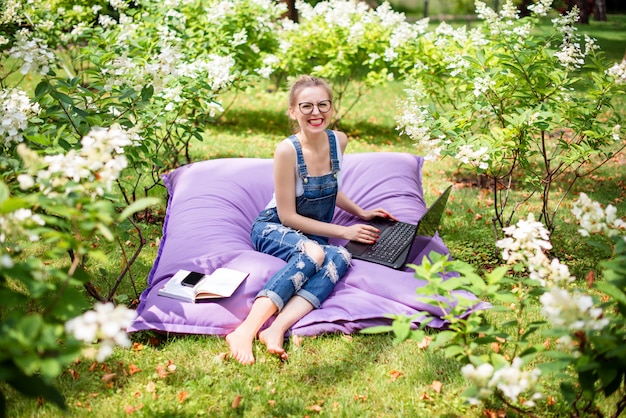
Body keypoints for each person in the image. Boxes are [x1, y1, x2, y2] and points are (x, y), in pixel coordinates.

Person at [226, 75, 396, 364]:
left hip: (311, 233)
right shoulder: (287, 151)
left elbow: (330, 188)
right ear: (292, 111)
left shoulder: (338, 141)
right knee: (316, 252)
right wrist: (345, 230)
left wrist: (362, 213)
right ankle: (244, 330)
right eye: (306, 106)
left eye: (322, 105)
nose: (315, 113)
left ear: (332, 108)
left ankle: (276, 329)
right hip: (274, 226)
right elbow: (287, 215)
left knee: (341, 256)